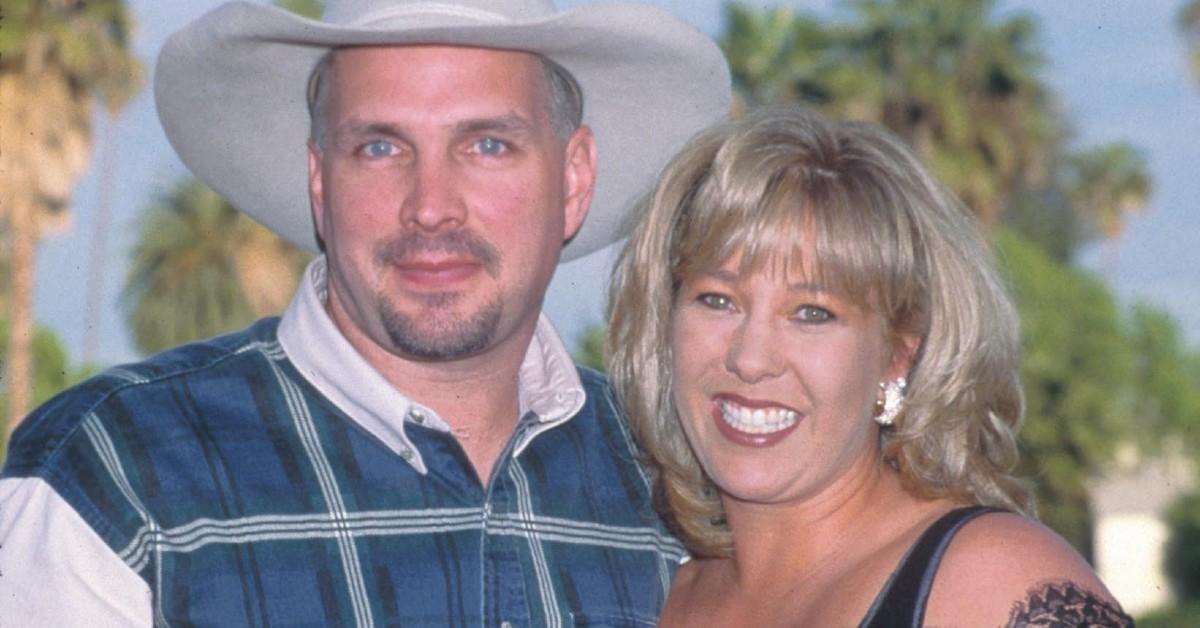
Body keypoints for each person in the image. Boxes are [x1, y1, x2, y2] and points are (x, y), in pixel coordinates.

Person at [0, 0, 730, 624]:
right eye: (380, 147)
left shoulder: (678, 486)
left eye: (486, 144)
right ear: (321, 180)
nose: (431, 206)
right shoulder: (116, 476)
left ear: (574, 179)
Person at [607, 106, 1133, 627]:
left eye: (812, 313)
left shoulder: (989, 580)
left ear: (897, 354)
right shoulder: (652, 598)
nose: (750, 358)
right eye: (717, 300)